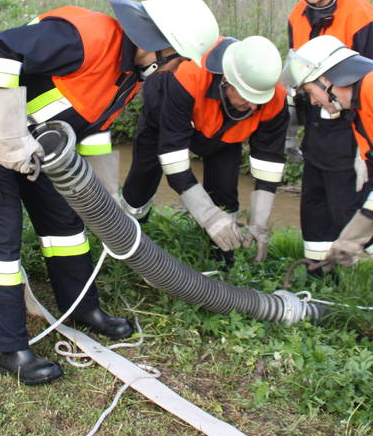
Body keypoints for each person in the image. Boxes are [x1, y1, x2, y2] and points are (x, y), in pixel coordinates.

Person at [0, 0, 220, 385]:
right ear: (156, 44)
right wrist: (9, 137)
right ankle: (8, 347)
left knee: (66, 226)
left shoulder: (131, 73)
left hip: (39, 139)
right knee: (1, 238)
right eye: (176, 60)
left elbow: (93, 127)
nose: (174, 70)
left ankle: (80, 308)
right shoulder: (86, 36)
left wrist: (104, 193)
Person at [119, 36, 288, 266]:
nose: (255, 106)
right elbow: (174, 161)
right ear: (228, 80)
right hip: (164, 115)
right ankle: (126, 239)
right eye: (249, 97)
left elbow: (269, 162)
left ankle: (222, 259)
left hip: (224, 134)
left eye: (260, 99)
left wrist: (259, 222)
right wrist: (207, 216)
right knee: (142, 180)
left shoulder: (272, 96)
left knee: (225, 193)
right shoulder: (189, 75)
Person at [282, 0, 373, 264]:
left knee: (348, 205)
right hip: (315, 129)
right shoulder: (297, 16)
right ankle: (318, 273)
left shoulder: (359, 15)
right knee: (314, 207)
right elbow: (297, 68)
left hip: (350, 131)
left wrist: (368, 145)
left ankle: (371, 272)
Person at [282, 36, 373, 266]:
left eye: (310, 91)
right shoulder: (360, 110)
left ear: (327, 80)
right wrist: (351, 239)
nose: (312, 101)